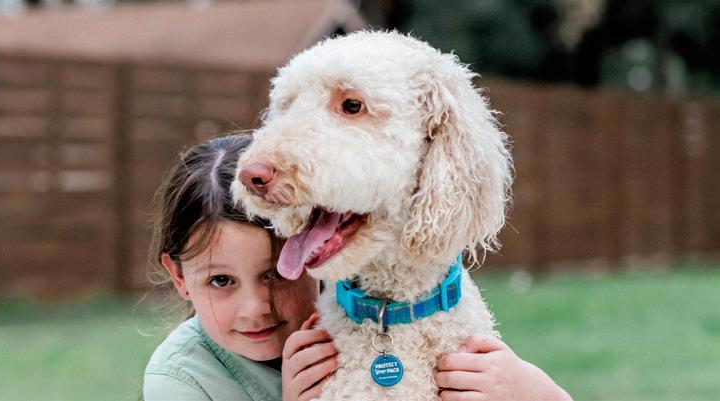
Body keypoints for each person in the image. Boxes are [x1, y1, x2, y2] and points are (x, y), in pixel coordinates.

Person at [141, 133, 571, 401]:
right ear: (179, 277)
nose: (256, 308)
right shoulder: (178, 380)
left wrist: (538, 393)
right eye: (221, 280)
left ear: (318, 248)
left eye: (275, 273)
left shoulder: (369, 306)